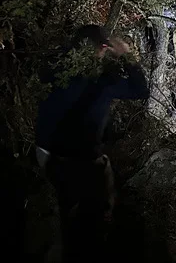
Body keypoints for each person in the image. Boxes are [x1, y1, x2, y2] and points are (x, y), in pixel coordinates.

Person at [35, 25, 150, 262]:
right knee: (96, 215)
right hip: (84, 161)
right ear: (103, 48)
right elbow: (140, 90)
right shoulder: (102, 81)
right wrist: (127, 57)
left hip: (46, 154)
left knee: (60, 212)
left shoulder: (53, 69)